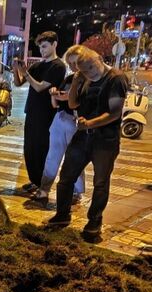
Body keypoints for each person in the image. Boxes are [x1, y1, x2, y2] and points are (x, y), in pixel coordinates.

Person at [45, 48, 128, 243]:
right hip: (82, 137)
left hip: (105, 140)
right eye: (84, 70)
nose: (90, 72)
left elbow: (115, 112)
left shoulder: (116, 78)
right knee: (66, 178)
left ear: (99, 58)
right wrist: (76, 81)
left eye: (91, 67)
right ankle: (62, 214)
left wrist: (90, 123)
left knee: (100, 182)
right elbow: (73, 104)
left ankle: (94, 221)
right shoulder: (82, 77)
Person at [31, 45, 88, 205]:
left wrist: (66, 96)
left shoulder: (89, 80)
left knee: (75, 158)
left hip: (76, 121)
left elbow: (75, 102)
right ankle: (44, 190)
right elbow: (55, 104)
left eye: (75, 63)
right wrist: (53, 94)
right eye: (70, 63)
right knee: (52, 156)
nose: (72, 67)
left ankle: (77, 192)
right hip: (60, 118)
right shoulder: (69, 79)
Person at [12, 31, 66, 193]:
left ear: (54, 44)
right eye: (40, 47)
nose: (41, 50)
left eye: (45, 46)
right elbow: (19, 82)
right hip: (31, 112)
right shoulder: (37, 65)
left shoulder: (58, 66)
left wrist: (25, 73)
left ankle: (42, 184)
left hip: (46, 114)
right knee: (29, 148)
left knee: (42, 148)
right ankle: (34, 180)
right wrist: (16, 69)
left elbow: (40, 86)